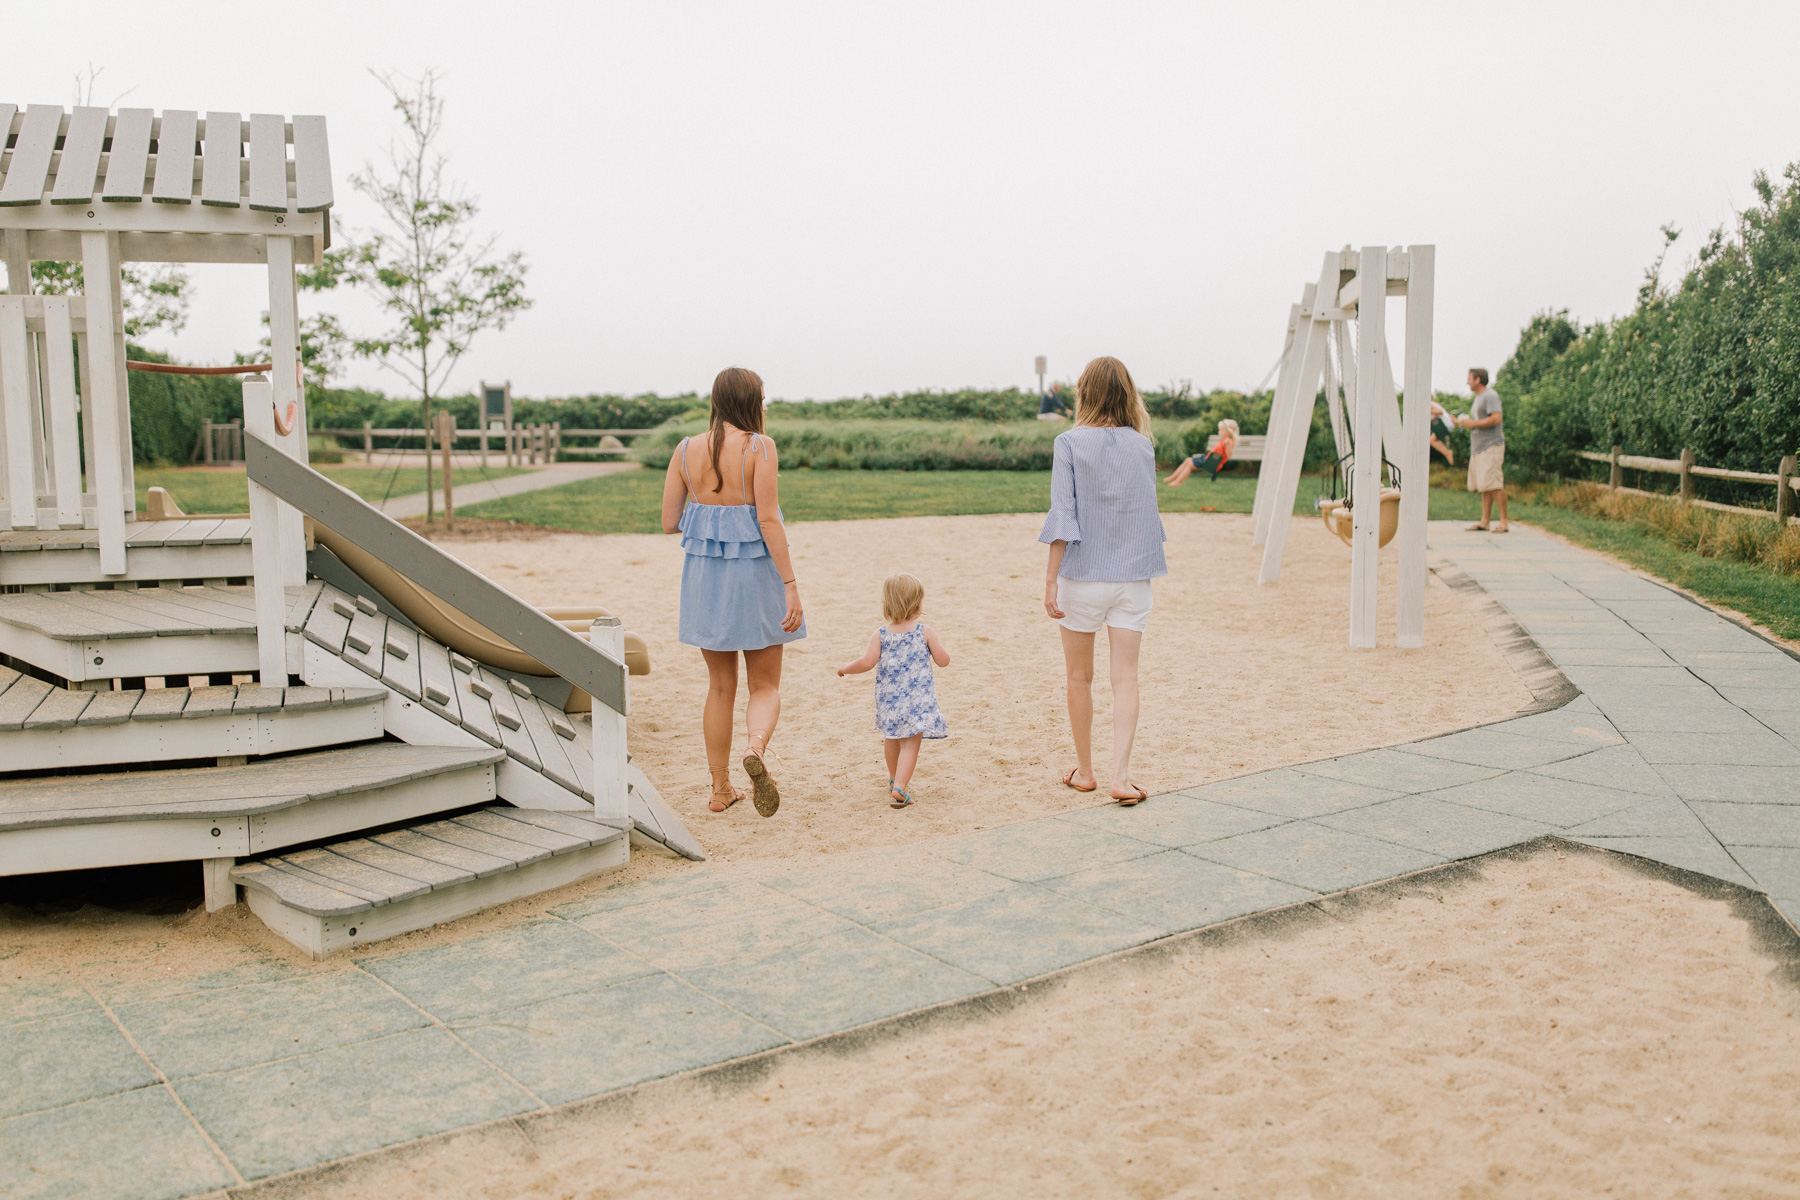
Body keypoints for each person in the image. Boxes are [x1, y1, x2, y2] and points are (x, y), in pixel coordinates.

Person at [660, 367, 805, 816]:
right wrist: (791, 586)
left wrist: (711, 518)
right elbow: (767, 521)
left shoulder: (684, 450)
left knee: (719, 687)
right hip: (756, 577)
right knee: (764, 685)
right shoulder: (760, 447)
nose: (765, 406)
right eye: (761, 398)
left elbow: (669, 522)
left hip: (705, 582)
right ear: (747, 401)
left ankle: (720, 788)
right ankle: (756, 750)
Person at [1040, 356, 1167, 805]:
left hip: (1082, 576)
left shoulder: (1068, 443)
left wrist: (1051, 580)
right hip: (1132, 579)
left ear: (1085, 393)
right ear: (1127, 392)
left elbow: (1063, 515)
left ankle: (1086, 772)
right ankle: (1121, 776)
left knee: (1079, 677)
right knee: (1125, 679)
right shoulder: (1142, 446)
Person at [836, 572, 951, 808]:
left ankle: (892, 778)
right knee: (910, 743)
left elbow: (867, 662)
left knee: (891, 737)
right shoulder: (924, 632)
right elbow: (943, 661)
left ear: (887, 604)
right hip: (917, 701)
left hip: (889, 701)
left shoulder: (881, 634)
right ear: (918, 603)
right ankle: (900, 788)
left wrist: (846, 667)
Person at [1457, 368, 1507, 532]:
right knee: (1485, 485)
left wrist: (1473, 424)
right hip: (1479, 447)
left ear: (1478, 380)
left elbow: (1496, 418)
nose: (1467, 382)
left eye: (1469, 378)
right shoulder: (1479, 398)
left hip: (1491, 445)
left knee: (1495, 483)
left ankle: (1504, 522)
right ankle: (1485, 521)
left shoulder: (1490, 395)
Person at [1164, 418, 1239, 486]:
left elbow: (1228, 455)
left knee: (1190, 464)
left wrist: (1228, 445)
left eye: (1221, 431)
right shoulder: (1224, 441)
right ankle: (1173, 477)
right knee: (1188, 460)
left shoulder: (1229, 442)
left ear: (1228, 432)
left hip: (1211, 463)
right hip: (1206, 459)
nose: (1219, 432)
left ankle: (1178, 481)